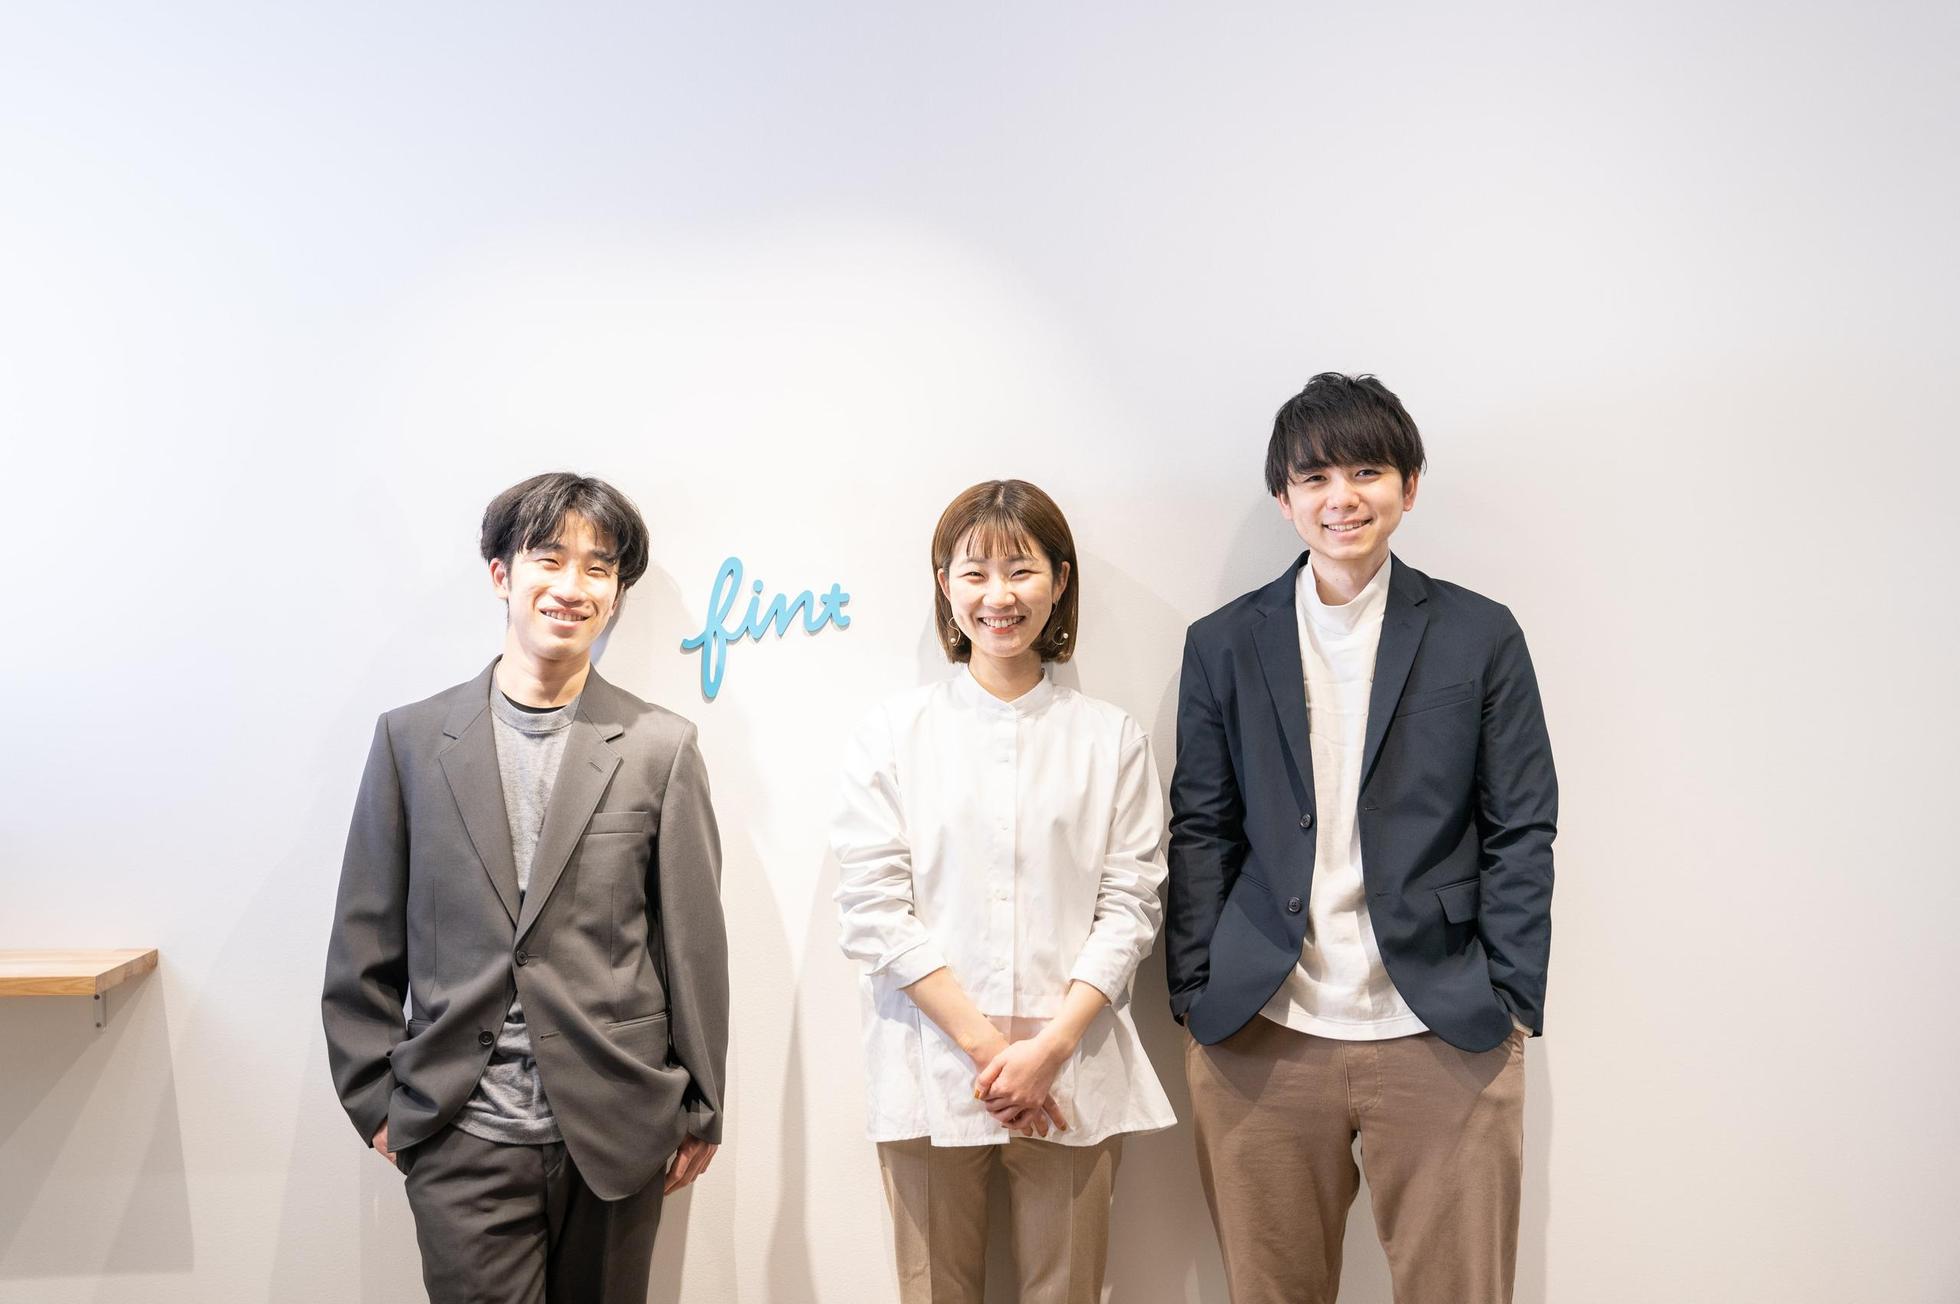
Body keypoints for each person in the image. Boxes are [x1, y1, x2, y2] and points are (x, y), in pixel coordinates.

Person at [1166, 374, 1557, 1304]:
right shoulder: (1223, 642)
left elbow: (1521, 824)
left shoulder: (1479, 634)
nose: (1341, 498)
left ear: (1408, 486)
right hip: (1262, 1031)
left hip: (1442, 1025)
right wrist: (1196, 989)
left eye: (1367, 472)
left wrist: (1509, 996)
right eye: (1315, 478)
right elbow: (1202, 828)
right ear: (1284, 497)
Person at [322, 472, 728, 1304]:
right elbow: (364, 942)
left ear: (615, 594)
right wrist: (377, 1103)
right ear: (502, 574)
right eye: (550, 558)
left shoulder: (661, 747)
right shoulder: (410, 742)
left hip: (615, 1132)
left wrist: (701, 1106)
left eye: (598, 568)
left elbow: (691, 947)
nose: (573, 586)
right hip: (460, 1134)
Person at [832, 479, 1176, 1304]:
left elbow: (1131, 906)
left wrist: (1049, 1051)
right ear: (945, 588)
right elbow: (874, 908)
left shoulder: (1110, 739)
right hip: (929, 1062)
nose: (999, 596)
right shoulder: (894, 733)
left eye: (1021, 571)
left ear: (1059, 582)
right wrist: (995, 1055)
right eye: (974, 572)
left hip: (1073, 1068)